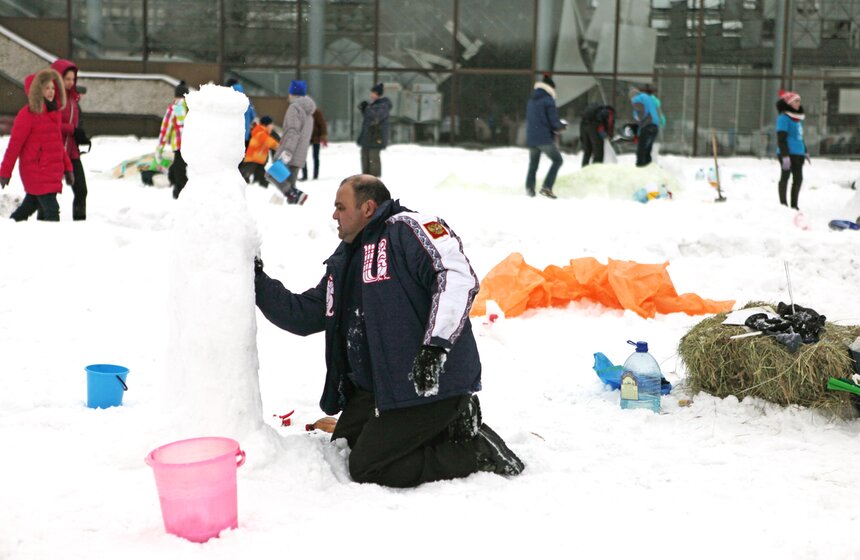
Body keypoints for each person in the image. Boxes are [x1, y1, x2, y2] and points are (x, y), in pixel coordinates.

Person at [254, 174, 525, 488]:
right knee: (346, 443)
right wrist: (256, 279)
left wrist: (435, 348)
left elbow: (456, 277)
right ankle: (446, 428)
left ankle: (476, 451)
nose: (334, 215)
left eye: (341, 207)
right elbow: (302, 315)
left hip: (427, 384)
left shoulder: (409, 229)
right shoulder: (345, 260)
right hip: (380, 388)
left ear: (368, 208)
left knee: (368, 466)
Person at [1, 68, 73, 221]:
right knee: (52, 210)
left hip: (51, 172)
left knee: (29, 206)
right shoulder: (27, 115)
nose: (51, 91)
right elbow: (14, 146)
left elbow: (58, 145)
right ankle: (50, 241)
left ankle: (9, 228)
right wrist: (5, 172)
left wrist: (68, 168)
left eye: (53, 87)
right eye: (46, 88)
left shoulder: (54, 114)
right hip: (36, 170)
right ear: (36, 91)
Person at [50, 58, 88, 220]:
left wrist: (80, 136)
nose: (71, 82)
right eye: (67, 79)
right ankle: (42, 224)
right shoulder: (52, 98)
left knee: (81, 190)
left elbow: (74, 123)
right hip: (53, 151)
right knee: (47, 193)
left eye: (73, 79)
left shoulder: (73, 99)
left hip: (71, 153)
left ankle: (80, 225)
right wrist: (72, 129)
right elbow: (50, 122)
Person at [271, 79, 314, 205]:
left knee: (274, 176)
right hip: (300, 153)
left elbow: (292, 132)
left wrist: (287, 152)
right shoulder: (309, 112)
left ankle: (296, 198)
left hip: (290, 152)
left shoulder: (294, 108)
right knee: (289, 182)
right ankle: (289, 205)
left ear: (292, 93)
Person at [525, 73, 565, 198]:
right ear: (550, 88)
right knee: (558, 160)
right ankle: (547, 187)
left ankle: (529, 189)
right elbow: (553, 121)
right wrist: (561, 126)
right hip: (544, 138)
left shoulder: (531, 100)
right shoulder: (548, 100)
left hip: (532, 137)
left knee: (533, 165)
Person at [157, 81, 190, 199]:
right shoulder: (192, 108)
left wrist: (160, 148)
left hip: (180, 147)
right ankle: (179, 190)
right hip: (193, 147)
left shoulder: (176, 107)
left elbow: (165, 129)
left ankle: (181, 194)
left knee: (179, 172)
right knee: (180, 169)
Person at [775, 90, 807, 210]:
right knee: (785, 176)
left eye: (799, 101)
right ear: (789, 103)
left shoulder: (798, 119)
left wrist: (805, 150)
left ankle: (794, 205)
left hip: (799, 153)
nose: (799, 103)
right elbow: (781, 138)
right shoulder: (783, 118)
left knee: (798, 178)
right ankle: (783, 204)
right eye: (796, 101)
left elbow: (799, 137)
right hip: (788, 153)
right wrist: (785, 155)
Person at [357, 83, 391, 178]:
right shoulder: (373, 105)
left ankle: (374, 179)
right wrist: (364, 109)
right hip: (368, 136)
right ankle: (366, 178)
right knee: (365, 157)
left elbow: (376, 117)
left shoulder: (384, 105)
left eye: (373, 93)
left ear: (378, 94)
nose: (371, 95)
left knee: (373, 159)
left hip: (376, 136)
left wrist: (366, 109)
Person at [240, 116, 279, 187]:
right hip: (252, 160)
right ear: (266, 124)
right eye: (271, 125)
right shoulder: (260, 131)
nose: (272, 127)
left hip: (259, 161)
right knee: (242, 176)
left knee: (261, 180)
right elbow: (269, 141)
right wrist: (278, 146)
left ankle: (260, 185)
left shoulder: (264, 132)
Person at [629, 86, 660, 167]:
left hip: (647, 125)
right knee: (647, 150)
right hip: (655, 126)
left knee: (641, 150)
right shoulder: (648, 98)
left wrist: (636, 116)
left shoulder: (637, 99)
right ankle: (648, 167)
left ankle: (640, 168)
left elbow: (641, 115)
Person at [226, 78, 257, 147]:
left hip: (231, 134)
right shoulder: (247, 99)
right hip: (245, 134)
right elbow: (253, 115)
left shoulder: (227, 98)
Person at [301, 108, 328, 181]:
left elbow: (322, 124)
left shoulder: (316, 112)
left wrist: (323, 135)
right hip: (305, 137)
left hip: (316, 137)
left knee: (315, 156)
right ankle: (305, 175)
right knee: (302, 156)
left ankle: (315, 175)